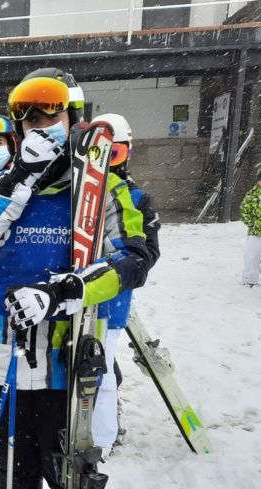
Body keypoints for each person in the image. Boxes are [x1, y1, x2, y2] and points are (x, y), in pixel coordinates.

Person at [0, 69, 150, 489]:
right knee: (11, 454)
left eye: (52, 115)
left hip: (70, 353)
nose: (43, 126)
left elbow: (134, 257)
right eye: (31, 119)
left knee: (65, 457)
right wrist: (18, 179)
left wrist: (64, 290)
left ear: (73, 119)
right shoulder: (1, 187)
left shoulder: (100, 188)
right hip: (7, 350)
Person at [90, 113, 161, 453]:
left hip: (112, 301)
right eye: (101, 155)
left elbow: (147, 253)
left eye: (114, 155)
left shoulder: (136, 198)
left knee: (101, 368)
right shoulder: (80, 194)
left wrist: (120, 269)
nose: (107, 165)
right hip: (76, 300)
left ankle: (103, 436)